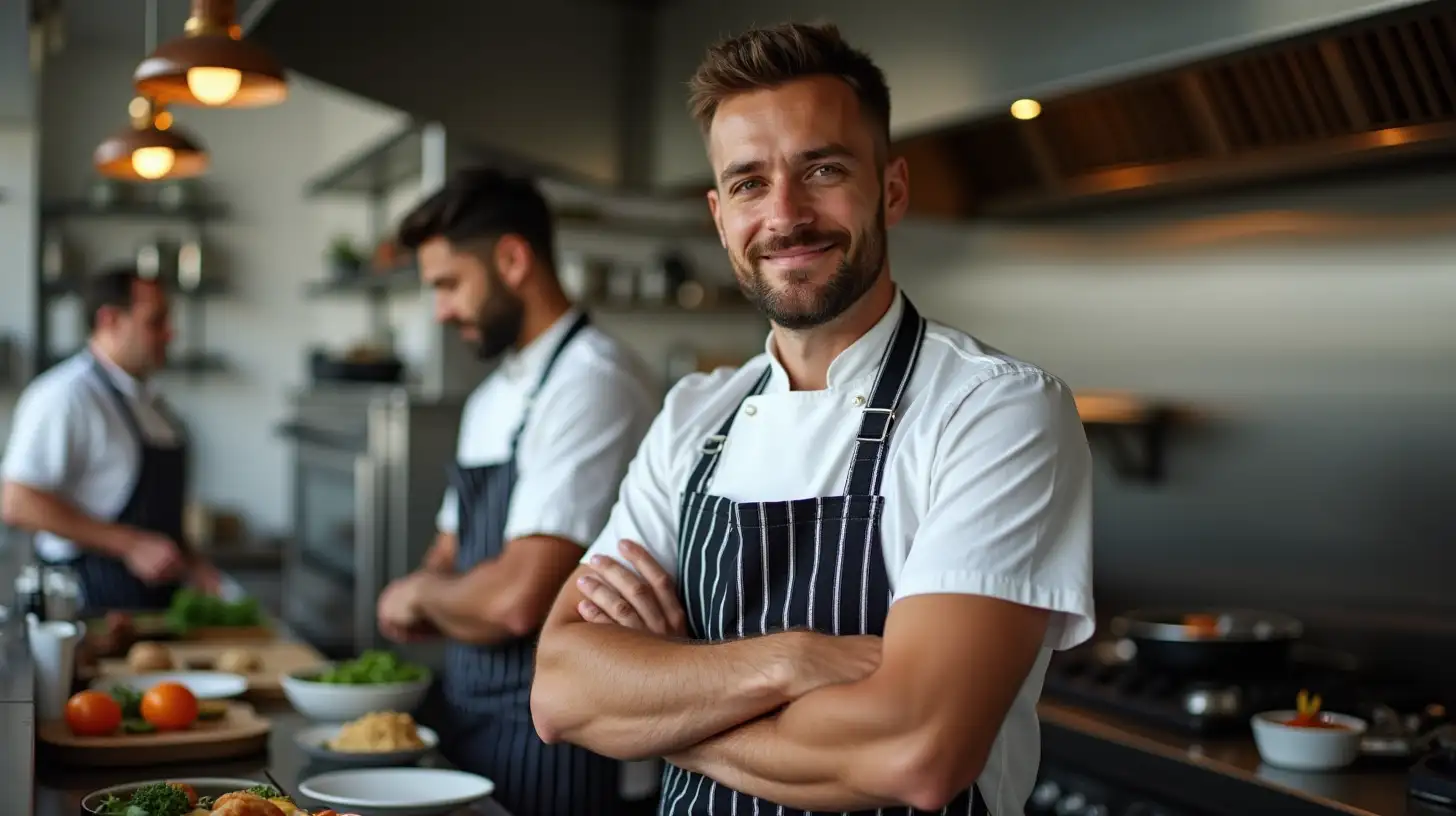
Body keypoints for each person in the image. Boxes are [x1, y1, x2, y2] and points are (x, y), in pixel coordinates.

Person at [531, 21, 1096, 816]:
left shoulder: (995, 409)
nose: (785, 215)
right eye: (748, 183)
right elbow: (560, 688)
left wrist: (657, 711)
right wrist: (792, 661)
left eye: (822, 169)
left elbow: (918, 753)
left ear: (891, 189)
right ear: (719, 215)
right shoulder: (695, 417)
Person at [375, 167, 659, 816]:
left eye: (449, 284)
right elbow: (447, 552)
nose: (441, 311)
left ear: (511, 259)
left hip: (567, 740)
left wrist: (424, 595)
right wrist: (439, 590)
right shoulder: (489, 399)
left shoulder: (593, 384)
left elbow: (514, 600)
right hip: (471, 713)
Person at [1, 265, 220, 612]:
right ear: (110, 320)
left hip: (158, 610)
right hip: (89, 609)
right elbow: (16, 501)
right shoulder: (65, 395)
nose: (170, 334)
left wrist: (192, 563)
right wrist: (130, 546)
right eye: (156, 321)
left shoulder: (151, 402)